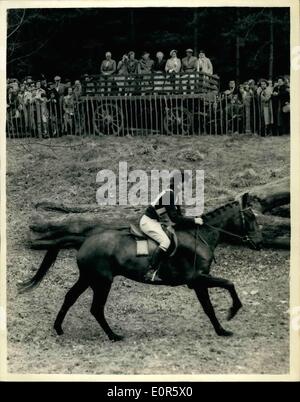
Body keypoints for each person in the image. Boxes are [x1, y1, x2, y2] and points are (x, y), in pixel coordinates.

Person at [139, 171, 203, 282]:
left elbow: (178, 216)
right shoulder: (169, 194)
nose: (186, 186)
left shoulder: (174, 195)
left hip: (156, 221)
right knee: (165, 242)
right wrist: (194, 221)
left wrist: (194, 219)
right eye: (185, 183)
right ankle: (150, 271)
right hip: (148, 222)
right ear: (179, 183)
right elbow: (175, 219)